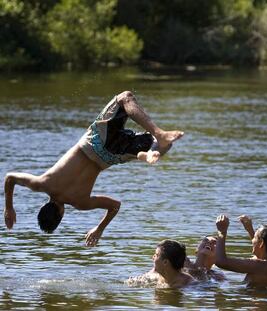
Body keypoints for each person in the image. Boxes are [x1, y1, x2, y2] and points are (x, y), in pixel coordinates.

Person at [3, 91, 184, 246]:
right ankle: (157, 134)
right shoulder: (42, 183)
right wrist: (9, 208)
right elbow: (10, 178)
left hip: (109, 157)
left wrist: (99, 228)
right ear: (44, 206)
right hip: (94, 142)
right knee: (125, 97)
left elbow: (115, 206)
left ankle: (149, 151)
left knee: (164, 147)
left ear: (61, 214)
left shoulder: (80, 203)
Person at [215, 214, 267, 288]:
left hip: (254, 298)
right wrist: (249, 229)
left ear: (261, 243)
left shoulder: (258, 266)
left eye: (255, 237)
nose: (252, 240)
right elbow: (260, 251)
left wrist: (222, 232)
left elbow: (220, 261)